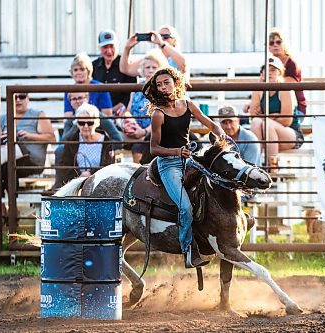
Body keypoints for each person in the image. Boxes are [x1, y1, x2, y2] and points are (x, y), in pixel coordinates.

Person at [143, 67, 226, 268]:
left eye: (166, 82)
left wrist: (221, 134)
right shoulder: (158, 114)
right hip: (169, 164)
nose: (163, 87)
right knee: (185, 207)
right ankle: (188, 251)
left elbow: (210, 124)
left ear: (176, 83)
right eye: (159, 84)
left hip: (189, 160)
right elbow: (154, 149)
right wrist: (176, 152)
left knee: (215, 184)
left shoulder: (188, 105)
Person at [0, 93, 56, 226]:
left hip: (32, 160)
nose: (17, 100)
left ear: (28, 99)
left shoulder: (37, 114)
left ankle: (7, 211)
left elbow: (51, 138)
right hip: (8, 158)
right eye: (14, 97)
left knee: (4, 168)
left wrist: (30, 136)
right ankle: (1, 211)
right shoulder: (4, 118)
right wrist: (1, 139)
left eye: (21, 97)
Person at [250, 57, 304, 167]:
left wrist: (265, 117)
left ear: (280, 73)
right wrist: (274, 116)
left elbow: (287, 121)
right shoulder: (258, 90)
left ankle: (272, 168)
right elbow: (253, 116)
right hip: (267, 135)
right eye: (266, 70)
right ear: (262, 73)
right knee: (256, 122)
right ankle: (255, 166)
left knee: (266, 124)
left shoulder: (285, 90)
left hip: (291, 135)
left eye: (273, 70)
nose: (269, 73)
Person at [121, 49, 168, 162]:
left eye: (154, 67)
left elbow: (164, 117)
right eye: (147, 67)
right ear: (142, 69)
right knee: (113, 139)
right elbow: (128, 111)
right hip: (134, 130)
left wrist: (144, 132)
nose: (151, 70)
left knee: (138, 147)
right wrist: (129, 125)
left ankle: (140, 177)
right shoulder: (136, 88)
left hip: (153, 132)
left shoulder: (162, 89)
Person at [54, 103, 115, 188]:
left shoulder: (106, 142)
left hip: (99, 185)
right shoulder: (72, 140)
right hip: (76, 185)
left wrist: (90, 174)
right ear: (77, 124)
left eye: (90, 123)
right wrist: (80, 175)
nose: (86, 126)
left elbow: (108, 166)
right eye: (82, 123)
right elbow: (66, 166)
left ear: (96, 122)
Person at [92, 30, 137, 114]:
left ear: (117, 46)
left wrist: (112, 110)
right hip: (98, 112)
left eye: (112, 46)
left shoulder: (126, 65)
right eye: (105, 47)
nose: (109, 51)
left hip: (121, 112)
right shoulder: (93, 66)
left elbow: (130, 94)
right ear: (99, 48)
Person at [119, 25, 188, 78]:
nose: (162, 39)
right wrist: (127, 48)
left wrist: (162, 44)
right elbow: (126, 69)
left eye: (166, 37)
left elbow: (183, 64)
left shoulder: (177, 57)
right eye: (160, 36)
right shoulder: (153, 57)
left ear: (174, 40)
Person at [269, 29, 307, 117]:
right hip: (273, 109)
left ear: (284, 44)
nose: (275, 45)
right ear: (268, 47)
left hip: (295, 110)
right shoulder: (268, 64)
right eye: (271, 43)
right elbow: (262, 84)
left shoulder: (292, 64)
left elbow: (287, 85)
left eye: (278, 42)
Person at [63, 52, 112, 117]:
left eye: (82, 69)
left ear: (88, 71)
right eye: (75, 70)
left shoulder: (101, 88)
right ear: (72, 73)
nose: (78, 73)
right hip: (77, 124)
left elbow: (107, 115)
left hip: (99, 124)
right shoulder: (69, 90)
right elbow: (68, 116)